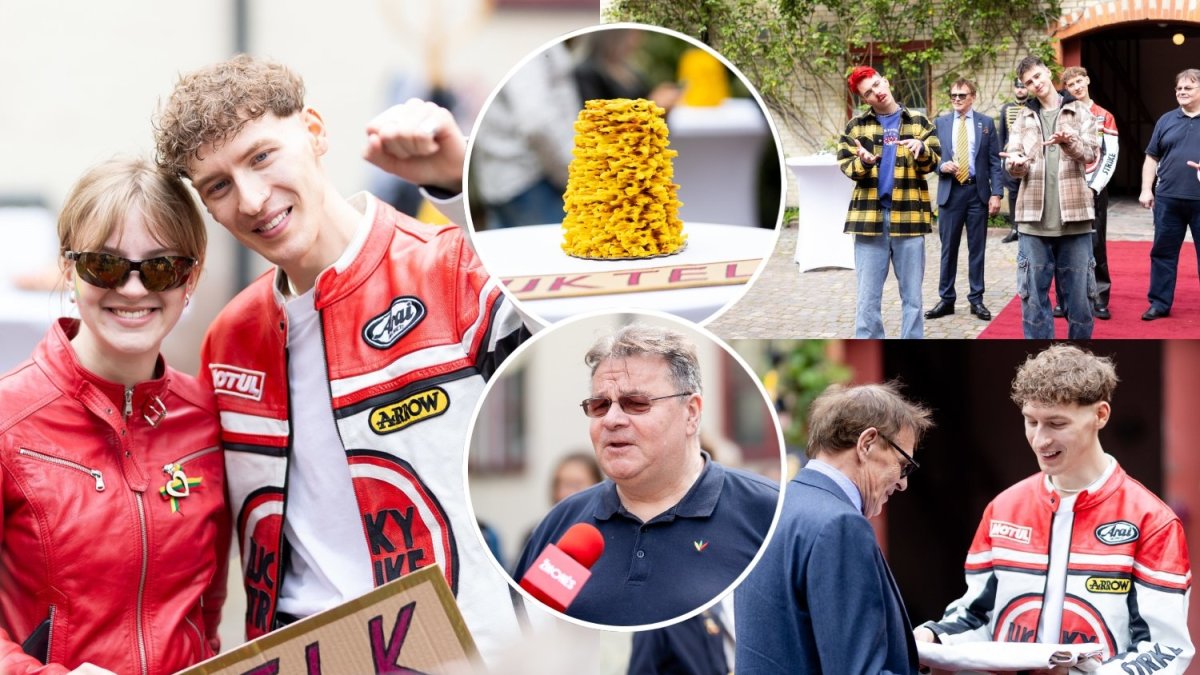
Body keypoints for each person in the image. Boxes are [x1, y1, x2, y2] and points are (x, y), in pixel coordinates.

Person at [153, 55, 531, 660]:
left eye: (262, 156)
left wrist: (463, 188)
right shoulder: (229, 339)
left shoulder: (447, 267)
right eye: (218, 187)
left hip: (457, 655)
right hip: (303, 654)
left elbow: (578, 321)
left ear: (315, 131)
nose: (251, 199)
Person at [0, 157, 229, 674]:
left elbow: (206, 610)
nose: (132, 288)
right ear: (68, 269)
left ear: (189, 278)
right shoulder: (9, 420)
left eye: (161, 267)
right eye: (103, 264)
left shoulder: (208, 423)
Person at [916, 345, 1194, 674]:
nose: (1040, 439)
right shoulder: (1003, 508)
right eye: (1030, 421)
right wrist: (932, 636)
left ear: (1100, 415)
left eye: (1056, 423)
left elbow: (1166, 649)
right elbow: (977, 615)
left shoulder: (1152, 521)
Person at [513, 324, 778, 626]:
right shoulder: (564, 524)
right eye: (600, 405)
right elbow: (522, 629)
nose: (612, 420)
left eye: (636, 403)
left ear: (691, 413)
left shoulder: (766, 513)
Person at [735, 382, 933, 674]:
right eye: (903, 465)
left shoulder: (774, 509)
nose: (903, 483)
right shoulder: (840, 525)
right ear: (866, 443)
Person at [837, 65, 940, 339]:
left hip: (909, 218)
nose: (876, 93)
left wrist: (922, 150)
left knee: (913, 301)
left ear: (886, 81)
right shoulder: (856, 127)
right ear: (864, 100)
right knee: (867, 302)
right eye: (868, 93)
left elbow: (935, 161)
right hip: (870, 220)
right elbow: (846, 166)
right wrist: (863, 161)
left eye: (877, 85)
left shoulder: (918, 122)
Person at [1003, 55, 1099, 339]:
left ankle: (1080, 355)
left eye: (1037, 76)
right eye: (1028, 82)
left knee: (1080, 300)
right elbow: (1013, 158)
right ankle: (1039, 357)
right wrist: (1016, 164)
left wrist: (1069, 142)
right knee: (1033, 299)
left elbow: (1091, 154)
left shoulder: (1079, 111)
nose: (1035, 84)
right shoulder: (1023, 117)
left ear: (1048, 72)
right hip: (1033, 220)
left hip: (1076, 218)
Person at [472, 42, 581, 228]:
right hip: (534, 184)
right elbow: (537, 123)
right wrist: (573, 175)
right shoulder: (532, 49)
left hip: (514, 182)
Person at [926, 77, 1003, 322]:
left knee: (976, 249)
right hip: (951, 193)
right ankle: (946, 299)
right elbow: (930, 157)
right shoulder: (940, 123)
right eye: (953, 95)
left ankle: (976, 300)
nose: (957, 99)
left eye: (962, 95)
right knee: (948, 249)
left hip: (976, 194)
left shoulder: (986, 123)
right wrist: (940, 166)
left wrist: (996, 193)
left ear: (972, 96)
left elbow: (994, 162)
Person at [1138, 68, 1200, 322]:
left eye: (1189, 87)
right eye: (1179, 88)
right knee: (1162, 253)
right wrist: (1145, 188)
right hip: (1168, 200)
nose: (1182, 92)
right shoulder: (1166, 120)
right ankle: (1160, 303)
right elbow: (1152, 157)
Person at [1059, 66, 1119, 320]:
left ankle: (1099, 298)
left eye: (1079, 81)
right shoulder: (1063, 114)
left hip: (1095, 187)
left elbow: (1111, 155)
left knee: (1096, 245)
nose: (1076, 87)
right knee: (1064, 245)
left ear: (1087, 80)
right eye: (1071, 84)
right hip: (1067, 187)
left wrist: (1095, 185)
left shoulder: (1103, 115)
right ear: (1066, 89)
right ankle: (1065, 300)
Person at [999, 77, 1031, 244]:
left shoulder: (1033, 106)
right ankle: (1014, 228)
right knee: (1013, 193)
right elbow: (1002, 135)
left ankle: (1028, 227)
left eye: (1023, 87)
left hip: (1028, 155)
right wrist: (1000, 158)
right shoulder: (1006, 108)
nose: (1020, 90)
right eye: (1017, 87)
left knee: (1029, 190)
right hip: (1010, 155)